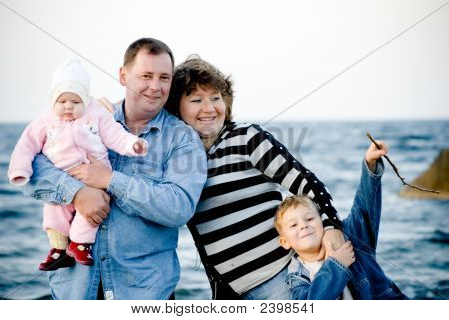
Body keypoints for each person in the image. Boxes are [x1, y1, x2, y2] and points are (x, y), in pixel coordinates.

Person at [22, 38, 207, 299]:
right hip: (76, 290)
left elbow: (178, 208)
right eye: (146, 75)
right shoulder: (86, 117)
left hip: (144, 294)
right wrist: (76, 193)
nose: (155, 87)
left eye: (164, 78)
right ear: (123, 75)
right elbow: (29, 167)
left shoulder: (182, 139)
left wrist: (110, 180)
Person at [165, 56, 345, 299]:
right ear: (177, 107)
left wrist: (331, 225)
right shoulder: (179, 156)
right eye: (196, 100)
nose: (209, 108)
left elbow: (306, 183)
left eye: (216, 98)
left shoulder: (246, 137)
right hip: (228, 291)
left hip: (281, 280)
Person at [8, 59, 148, 271]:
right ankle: (58, 249)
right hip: (62, 174)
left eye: (75, 102)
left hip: (94, 175)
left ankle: (80, 244)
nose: (68, 107)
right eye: (62, 101)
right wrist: (20, 170)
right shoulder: (45, 120)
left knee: (92, 212)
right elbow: (26, 146)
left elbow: (115, 135)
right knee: (54, 210)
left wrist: (133, 144)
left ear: (86, 100)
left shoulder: (97, 114)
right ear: (53, 99)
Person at [274, 142, 408, 299]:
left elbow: (363, 208)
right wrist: (337, 265)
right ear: (285, 242)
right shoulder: (297, 277)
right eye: (293, 225)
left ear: (322, 222)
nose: (303, 225)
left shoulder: (350, 239)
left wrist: (370, 164)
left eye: (309, 218)